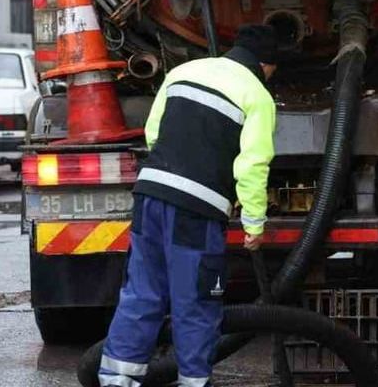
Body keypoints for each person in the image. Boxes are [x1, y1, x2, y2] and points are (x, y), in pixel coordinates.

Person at [99, 25, 279, 387]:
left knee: (141, 292)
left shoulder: (184, 72)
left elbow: (154, 131)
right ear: (267, 65)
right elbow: (252, 165)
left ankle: (117, 381)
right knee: (195, 301)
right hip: (196, 211)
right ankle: (194, 382)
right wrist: (253, 224)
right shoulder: (257, 95)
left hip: (149, 195)